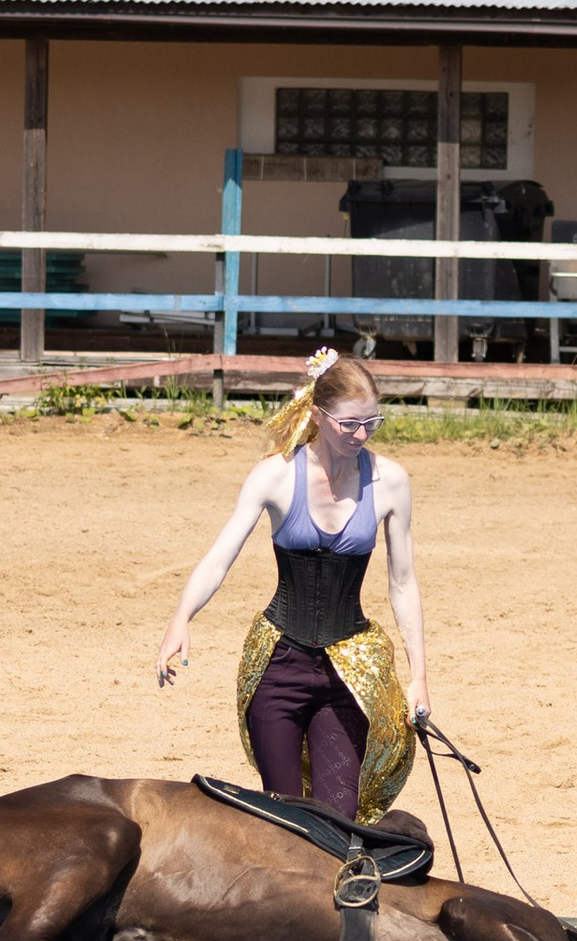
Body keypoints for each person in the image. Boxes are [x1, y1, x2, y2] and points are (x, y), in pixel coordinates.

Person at [154, 346, 424, 822]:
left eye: (372, 423)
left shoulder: (391, 481)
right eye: (349, 424)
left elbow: (402, 584)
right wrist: (182, 617)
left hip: (349, 673)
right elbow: (220, 557)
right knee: (282, 819)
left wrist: (419, 676)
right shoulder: (275, 474)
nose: (361, 435)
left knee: (337, 818)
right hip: (278, 666)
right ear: (318, 415)